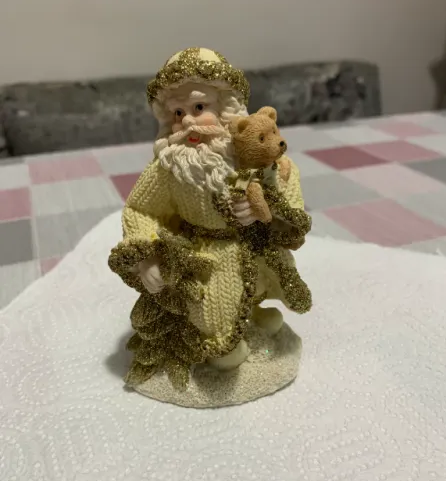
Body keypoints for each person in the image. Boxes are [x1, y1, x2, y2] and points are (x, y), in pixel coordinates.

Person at [109, 47, 311, 390]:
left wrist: (267, 210)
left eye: (199, 108)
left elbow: (286, 186)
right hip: (206, 254)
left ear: (226, 108)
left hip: (255, 247)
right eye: (178, 112)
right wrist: (147, 256)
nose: (188, 121)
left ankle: (252, 314)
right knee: (214, 305)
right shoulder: (169, 167)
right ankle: (219, 344)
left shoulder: (249, 153)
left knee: (264, 280)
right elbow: (140, 209)